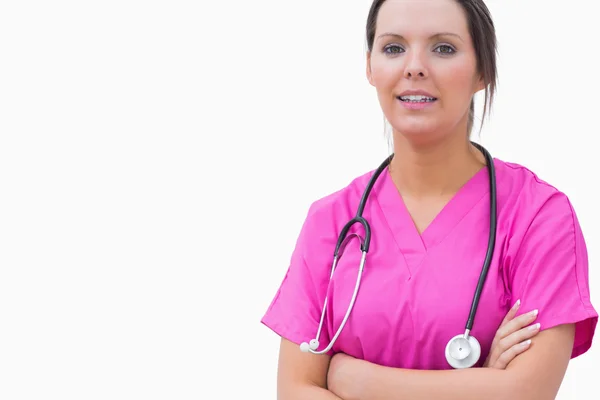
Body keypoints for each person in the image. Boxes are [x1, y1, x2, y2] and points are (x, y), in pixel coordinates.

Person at [261, 0, 598, 399]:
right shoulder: (331, 222)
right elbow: (295, 391)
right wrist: (478, 382)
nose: (414, 66)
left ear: (482, 72)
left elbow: (525, 392)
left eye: (443, 48)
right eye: (393, 48)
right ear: (369, 67)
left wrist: (353, 380)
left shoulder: (538, 217)